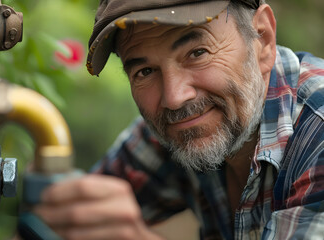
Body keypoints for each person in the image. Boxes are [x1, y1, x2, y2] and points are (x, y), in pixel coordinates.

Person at [34, 0, 324, 239]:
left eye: (197, 53)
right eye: (145, 71)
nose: (174, 97)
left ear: (263, 39)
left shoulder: (318, 132)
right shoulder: (181, 129)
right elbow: (64, 224)